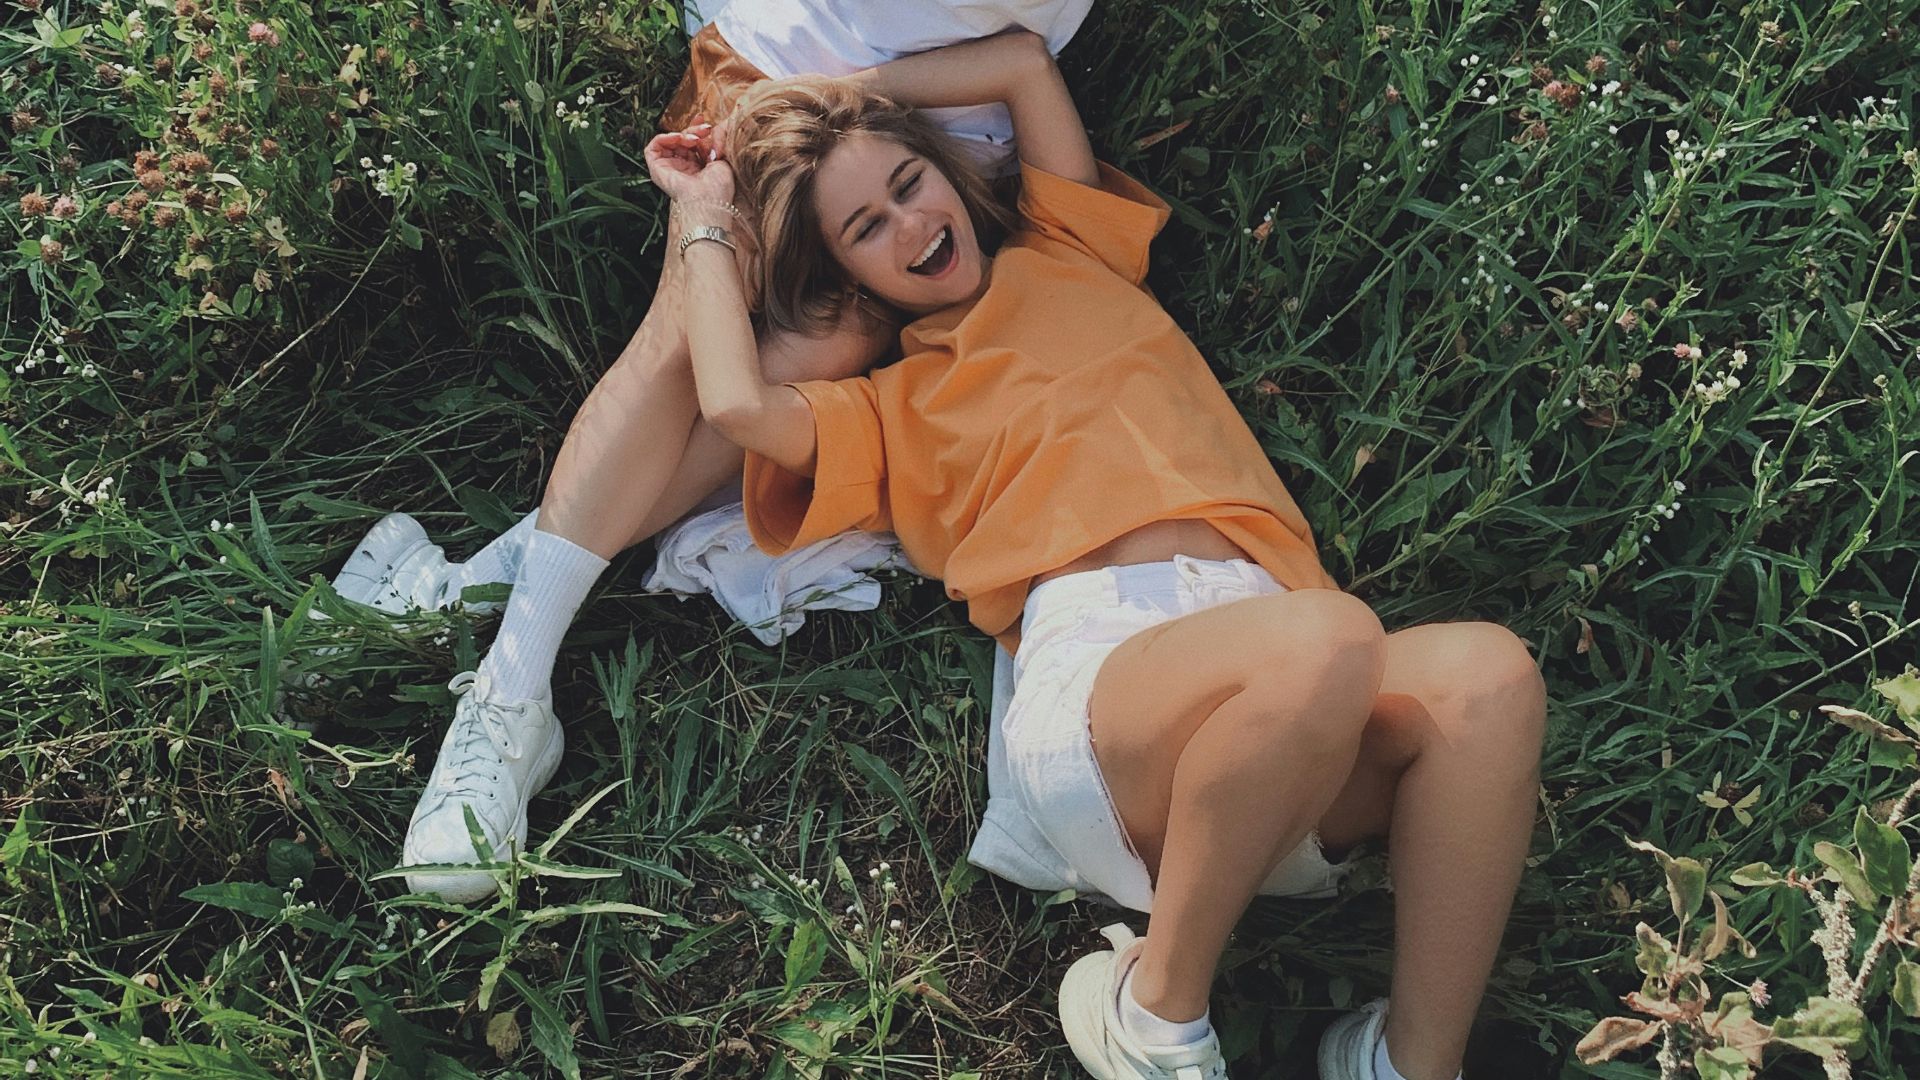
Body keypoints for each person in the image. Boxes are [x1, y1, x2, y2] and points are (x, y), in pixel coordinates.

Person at [651, 30, 1547, 1080]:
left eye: (910, 182)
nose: (912, 223)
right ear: (842, 273)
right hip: (1108, 710)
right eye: (866, 227)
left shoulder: (1071, 248)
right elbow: (738, 405)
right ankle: (1156, 1008)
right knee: (1332, 638)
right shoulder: (889, 405)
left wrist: (846, 97)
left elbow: (1025, 65)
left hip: (1284, 729)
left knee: (1489, 677)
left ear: (946, 169)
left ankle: (1406, 1064)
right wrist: (705, 215)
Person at [331, 1, 1094, 904]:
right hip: (780, 73)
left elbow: (1016, 58)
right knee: (687, 336)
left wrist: (842, 110)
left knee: (829, 343)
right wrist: (779, 119)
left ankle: (466, 586)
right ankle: (510, 692)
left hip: (936, 138)